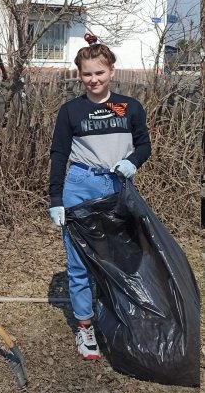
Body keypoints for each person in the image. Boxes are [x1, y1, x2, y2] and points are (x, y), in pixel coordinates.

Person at [48, 34, 151, 360]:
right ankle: (85, 327)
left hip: (117, 188)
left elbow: (144, 145)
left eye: (99, 73)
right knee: (79, 263)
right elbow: (58, 155)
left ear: (111, 71)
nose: (93, 79)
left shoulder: (129, 107)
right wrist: (56, 199)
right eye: (87, 74)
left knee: (119, 260)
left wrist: (132, 162)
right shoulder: (70, 111)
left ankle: (120, 321)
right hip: (80, 188)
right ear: (80, 75)